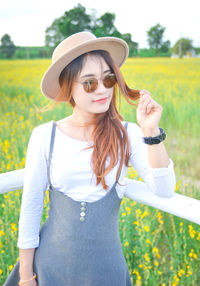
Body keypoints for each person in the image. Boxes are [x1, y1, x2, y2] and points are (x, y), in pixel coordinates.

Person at [4, 32, 176, 286]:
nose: (103, 90)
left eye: (108, 79)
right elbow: (30, 208)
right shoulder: (44, 136)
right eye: (89, 83)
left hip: (107, 271)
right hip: (51, 268)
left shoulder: (127, 133)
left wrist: (151, 133)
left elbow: (163, 189)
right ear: (68, 87)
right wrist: (26, 276)